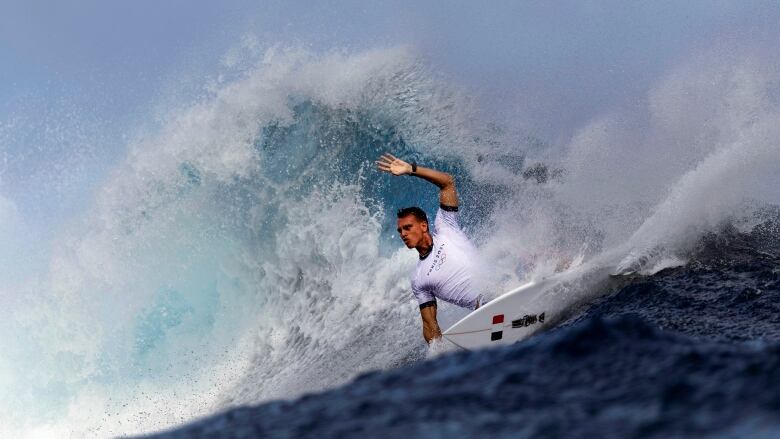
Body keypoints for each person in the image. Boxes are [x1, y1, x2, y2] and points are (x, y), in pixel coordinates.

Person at [376, 153, 484, 343]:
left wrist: (411, 169)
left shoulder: (446, 227)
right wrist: (438, 353)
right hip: (485, 311)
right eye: (400, 230)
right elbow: (429, 325)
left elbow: (448, 182)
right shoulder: (419, 279)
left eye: (408, 227)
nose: (403, 234)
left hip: (507, 286)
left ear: (424, 225)